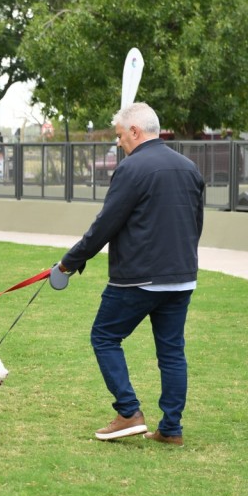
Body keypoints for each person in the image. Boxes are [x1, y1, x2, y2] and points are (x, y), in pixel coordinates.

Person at [56, 102, 205, 447]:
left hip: (138, 278)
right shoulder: (189, 168)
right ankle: (171, 429)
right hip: (182, 278)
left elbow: (105, 224)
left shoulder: (132, 169)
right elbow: (196, 225)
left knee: (104, 336)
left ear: (135, 131)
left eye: (121, 136)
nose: (119, 143)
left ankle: (129, 412)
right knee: (172, 351)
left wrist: (69, 262)